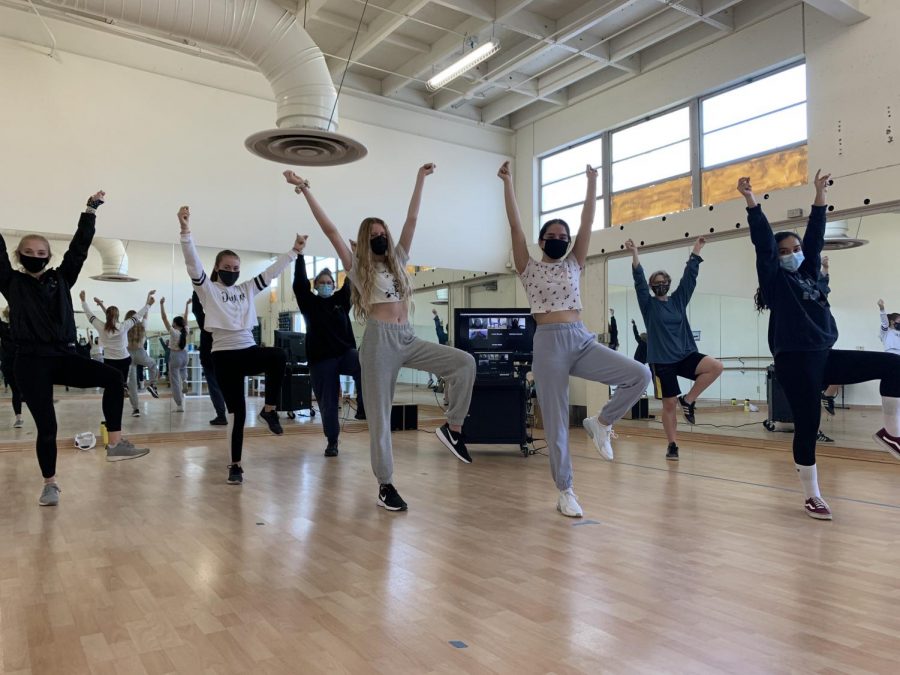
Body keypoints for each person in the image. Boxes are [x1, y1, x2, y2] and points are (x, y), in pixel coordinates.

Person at [286, 163, 476, 513]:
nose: (380, 236)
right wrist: (305, 188)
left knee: (464, 362)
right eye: (373, 233)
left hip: (406, 338)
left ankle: (454, 428)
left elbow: (412, 220)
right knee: (380, 417)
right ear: (365, 238)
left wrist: (419, 178)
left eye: (382, 231)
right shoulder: (359, 268)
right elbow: (330, 230)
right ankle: (385, 485)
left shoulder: (400, 260)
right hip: (378, 343)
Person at [742, 171, 900, 520]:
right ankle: (812, 495)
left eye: (795, 250)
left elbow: (814, 237)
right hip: (795, 361)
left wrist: (818, 194)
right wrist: (752, 202)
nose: (793, 254)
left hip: (824, 354)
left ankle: (890, 433)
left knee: (894, 365)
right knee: (808, 426)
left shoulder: (810, 273)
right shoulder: (775, 282)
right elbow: (762, 242)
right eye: (785, 251)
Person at [498, 160, 651, 518]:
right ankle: (565, 490)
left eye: (562, 238)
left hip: (580, 338)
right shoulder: (528, 266)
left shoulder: (574, 263)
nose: (558, 241)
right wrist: (507, 182)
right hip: (548, 342)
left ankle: (602, 422)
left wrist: (592, 183)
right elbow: (516, 227)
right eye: (550, 237)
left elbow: (586, 222)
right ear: (541, 242)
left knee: (640, 375)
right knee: (555, 419)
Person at [0, 191, 149, 506]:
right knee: (48, 427)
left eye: (41, 251)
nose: (35, 254)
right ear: (18, 255)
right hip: (30, 362)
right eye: (29, 251)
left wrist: (90, 210)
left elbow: (78, 249)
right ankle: (50, 484)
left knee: (112, 378)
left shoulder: (61, 279)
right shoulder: (12, 282)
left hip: (65, 356)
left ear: (49, 256)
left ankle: (116, 443)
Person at [179, 205, 299, 485]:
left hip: (247, 350)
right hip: (224, 357)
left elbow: (271, 273)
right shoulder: (208, 290)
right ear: (218, 269)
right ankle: (235, 465)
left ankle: (269, 409)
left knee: (278, 356)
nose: (232, 272)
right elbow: (192, 262)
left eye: (236, 268)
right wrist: (186, 231)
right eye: (227, 268)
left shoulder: (246, 289)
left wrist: (293, 251)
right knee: (237, 414)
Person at [626, 237, 724, 461]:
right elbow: (639, 281)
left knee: (715, 367)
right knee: (668, 403)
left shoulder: (678, 300)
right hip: (661, 361)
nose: (660, 284)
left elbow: (690, 279)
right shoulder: (648, 305)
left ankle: (688, 400)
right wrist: (635, 254)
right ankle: (672, 444)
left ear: (668, 283)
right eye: (656, 283)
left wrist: (696, 250)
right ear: (652, 287)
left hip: (684, 354)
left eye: (663, 281)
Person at [292, 253, 365, 456]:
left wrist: (355, 256)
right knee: (328, 403)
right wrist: (299, 257)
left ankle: (363, 407)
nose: (325, 285)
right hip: (321, 360)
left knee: (365, 363)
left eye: (329, 282)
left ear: (334, 285)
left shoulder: (341, 300)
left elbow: (352, 277)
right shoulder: (309, 303)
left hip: (344, 353)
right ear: (315, 286)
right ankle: (332, 441)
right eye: (321, 282)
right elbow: (299, 284)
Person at [81, 290, 155, 420]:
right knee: (121, 382)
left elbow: (89, 315)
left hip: (109, 361)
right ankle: (124, 386)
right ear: (118, 316)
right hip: (124, 360)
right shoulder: (123, 326)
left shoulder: (101, 326)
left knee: (111, 386)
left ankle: (115, 399)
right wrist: (148, 304)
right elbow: (138, 316)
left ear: (107, 316)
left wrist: (83, 301)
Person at [191, 291, 228, 425]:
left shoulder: (206, 322)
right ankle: (229, 414)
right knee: (224, 387)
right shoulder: (224, 320)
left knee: (215, 388)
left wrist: (196, 290)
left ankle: (221, 415)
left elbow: (196, 309)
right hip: (223, 358)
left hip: (210, 360)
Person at [124, 308, 160, 417]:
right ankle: (152, 384)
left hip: (128, 354)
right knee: (153, 365)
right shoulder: (142, 326)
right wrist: (148, 305)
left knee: (133, 385)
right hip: (140, 353)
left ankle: (136, 409)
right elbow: (145, 316)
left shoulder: (124, 327)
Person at [160, 297, 191, 412]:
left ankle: (179, 405)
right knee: (183, 370)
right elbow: (186, 318)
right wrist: (187, 305)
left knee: (174, 381)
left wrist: (161, 304)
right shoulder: (185, 331)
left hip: (175, 356)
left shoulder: (174, 332)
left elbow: (164, 318)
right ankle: (185, 380)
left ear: (175, 324)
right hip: (184, 355)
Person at [0, 307, 24, 428]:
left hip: (12, 364)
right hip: (14, 364)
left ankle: (19, 418)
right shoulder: (14, 327)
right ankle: (19, 418)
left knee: (17, 391)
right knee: (17, 391)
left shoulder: (12, 327)